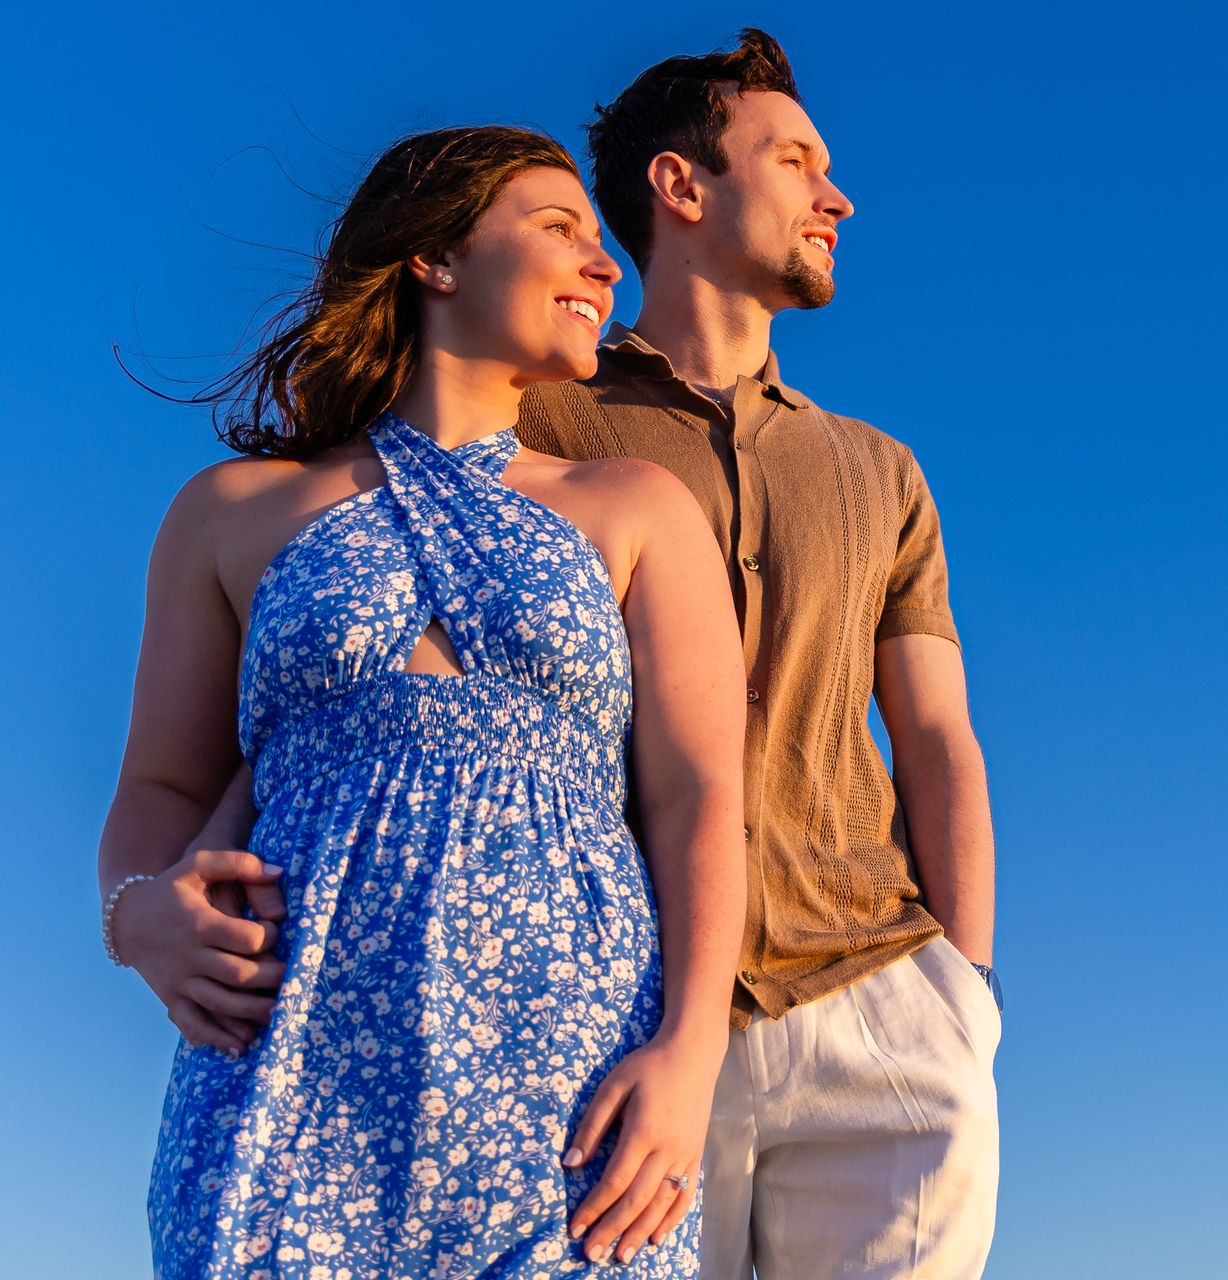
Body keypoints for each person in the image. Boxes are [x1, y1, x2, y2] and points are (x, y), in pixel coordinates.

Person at [97, 125, 746, 1276]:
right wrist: (135, 916)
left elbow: (700, 796)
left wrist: (692, 1053)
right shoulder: (232, 509)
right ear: (434, 259)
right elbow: (159, 784)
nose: (606, 266)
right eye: (561, 230)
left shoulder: (634, 503)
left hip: (574, 1090)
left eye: (605, 244)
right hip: (289, 1069)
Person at [515, 30, 1001, 1280]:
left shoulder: (880, 469)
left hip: (883, 1006)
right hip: (626, 1015)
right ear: (681, 188)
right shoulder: (539, 422)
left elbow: (937, 734)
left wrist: (967, 989)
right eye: (795, 160)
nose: (835, 196)